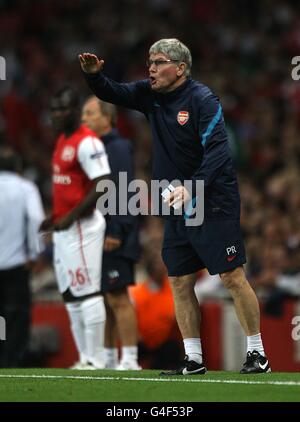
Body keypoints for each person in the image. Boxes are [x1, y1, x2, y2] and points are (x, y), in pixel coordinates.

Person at [79, 38, 270, 375]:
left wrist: (192, 187)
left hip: (212, 200)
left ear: (180, 69)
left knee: (231, 275)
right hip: (176, 203)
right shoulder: (150, 94)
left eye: (160, 61)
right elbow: (114, 93)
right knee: (180, 280)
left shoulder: (203, 100)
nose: (151, 67)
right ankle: (193, 358)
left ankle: (257, 353)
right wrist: (95, 77)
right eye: (150, 61)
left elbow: (218, 153)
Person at [40, 87, 111, 369]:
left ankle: (96, 359)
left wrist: (72, 215)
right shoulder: (62, 140)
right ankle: (84, 358)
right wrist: (55, 215)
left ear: (75, 111)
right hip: (64, 227)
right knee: (70, 293)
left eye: (63, 109)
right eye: (54, 109)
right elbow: (66, 185)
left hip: (83, 225)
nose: (57, 114)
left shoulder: (87, 142)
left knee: (88, 290)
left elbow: (104, 182)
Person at [81, 96, 140, 370]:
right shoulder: (95, 148)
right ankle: (106, 358)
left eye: (90, 113)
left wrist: (116, 229)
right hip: (99, 234)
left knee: (118, 297)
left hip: (115, 233)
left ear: (107, 117)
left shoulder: (116, 148)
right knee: (104, 298)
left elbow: (124, 189)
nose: (85, 119)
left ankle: (129, 358)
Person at [0, 147, 45, 367]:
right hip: (16, 264)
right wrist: (35, 252)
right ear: (18, 168)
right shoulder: (25, 188)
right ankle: (12, 360)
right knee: (16, 314)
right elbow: (36, 219)